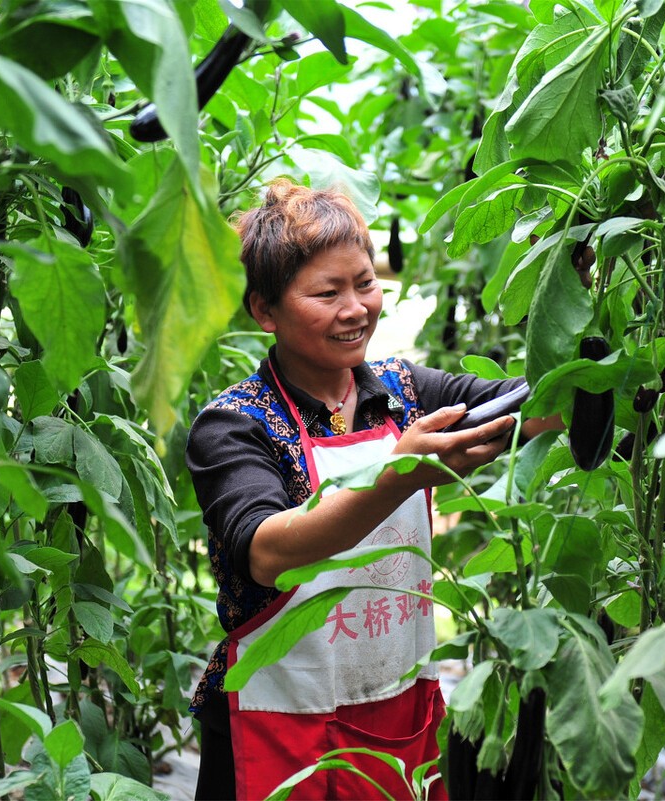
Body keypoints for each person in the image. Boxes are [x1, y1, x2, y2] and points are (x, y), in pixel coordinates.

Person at [185, 178, 558, 800]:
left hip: (397, 712)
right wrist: (397, 477)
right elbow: (268, 549)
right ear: (264, 310)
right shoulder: (234, 423)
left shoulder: (403, 391)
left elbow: (525, 407)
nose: (356, 307)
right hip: (274, 726)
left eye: (364, 283)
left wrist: (589, 366)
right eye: (326, 292)